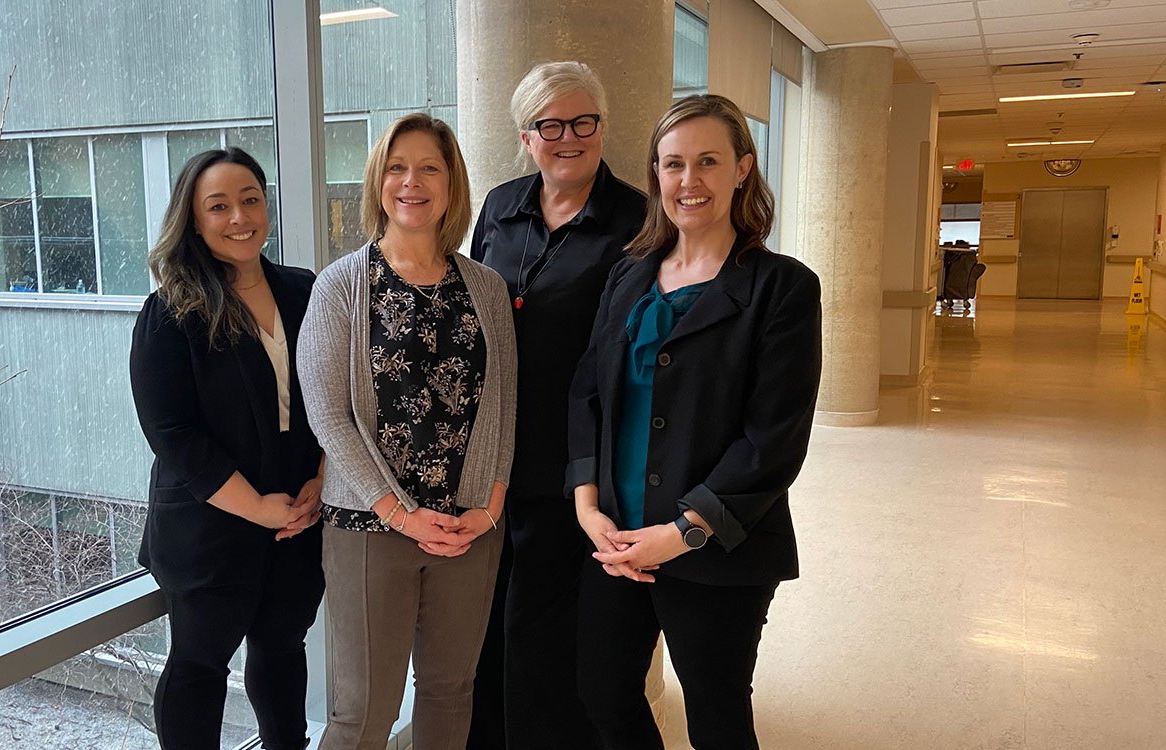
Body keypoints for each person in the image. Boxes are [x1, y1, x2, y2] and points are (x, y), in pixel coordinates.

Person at [566, 94, 823, 750]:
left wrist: (681, 533)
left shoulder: (783, 288)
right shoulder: (627, 277)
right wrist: (588, 504)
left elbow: (773, 441)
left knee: (715, 714)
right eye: (673, 164)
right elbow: (587, 393)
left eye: (707, 161)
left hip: (717, 548)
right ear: (656, 175)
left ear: (742, 168)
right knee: (602, 693)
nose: (689, 180)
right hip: (615, 537)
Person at [297, 113, 517, 750]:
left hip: (468, 526)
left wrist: (491, 505)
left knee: (451, 692)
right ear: (377, 181)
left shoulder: (486, 288)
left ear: (452, 184)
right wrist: (400, 512)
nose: (411, 182)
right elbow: (327, 415)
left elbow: (504, 402)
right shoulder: (341, 285)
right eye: (397, 167)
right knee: (361, 713)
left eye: (429, 168)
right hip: (371, 526)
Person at [466, 60, 645, 750]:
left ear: (601, 127)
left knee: (553, 642)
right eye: (551, 124)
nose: (568, 136)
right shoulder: (500, 205)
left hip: (577, 464)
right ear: (526, 134)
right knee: (486, 632)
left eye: (583, 122)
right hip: (490, 463)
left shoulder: (636, 217)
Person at [129, 147, 325, 750]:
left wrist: (321, 481)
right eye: (218, 206)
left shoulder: (304, 290)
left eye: (250, 200)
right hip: (209, 528)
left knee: (283, 650)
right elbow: (173, 434)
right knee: (200, 665)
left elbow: (330, 397)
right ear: (193, 220)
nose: (239, 217)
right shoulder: (170, 312)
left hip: (298, 516)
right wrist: (258, 508)